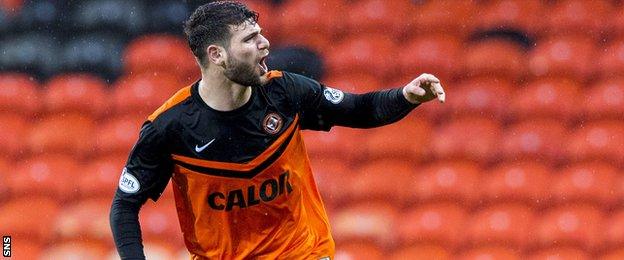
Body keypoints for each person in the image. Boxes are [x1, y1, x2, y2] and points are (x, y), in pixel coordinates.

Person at [109, 1, 445, 259]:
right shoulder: (169, 127)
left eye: (261, 34)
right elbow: (125, 206)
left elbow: (361, 110)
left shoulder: (286, 92)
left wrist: (406, 96)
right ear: (217, 54)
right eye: (250, 39)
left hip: (301, 252)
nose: (265, 44)